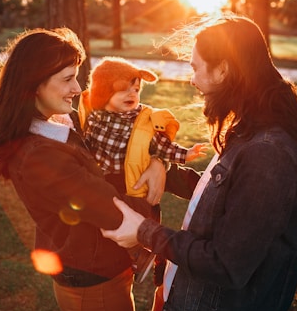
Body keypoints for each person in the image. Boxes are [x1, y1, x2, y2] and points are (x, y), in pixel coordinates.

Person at [101, 13, 297, 311]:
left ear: (223, 70)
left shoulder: (269, 153)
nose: (192, 80)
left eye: (195, 68)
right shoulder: (255, 129)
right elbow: (229, 200)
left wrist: (144, 232)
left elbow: (225, 264)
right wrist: (163, 170)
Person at [0, 27, 168, 311]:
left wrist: (158, 162)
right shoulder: (38, 155)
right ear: (33, 85)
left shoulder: (59, 124)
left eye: (76, 77)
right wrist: (154, 199)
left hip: (99, 265)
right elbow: (112, 211)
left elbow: (121, 152)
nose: (78, 89)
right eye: (67, 79)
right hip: (92, 280)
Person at [78, 56, 207, 283]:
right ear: (103, 94)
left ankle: (205, 190)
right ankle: (142, 256)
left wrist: (185, 154)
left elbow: (162, 145)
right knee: (111, 221)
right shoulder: (93, 118)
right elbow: (84, 145)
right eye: (123, 90)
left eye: (136, 90)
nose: (132, 95)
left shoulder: (142, 119)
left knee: (172, 182)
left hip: (136, 174)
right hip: (108, 180)